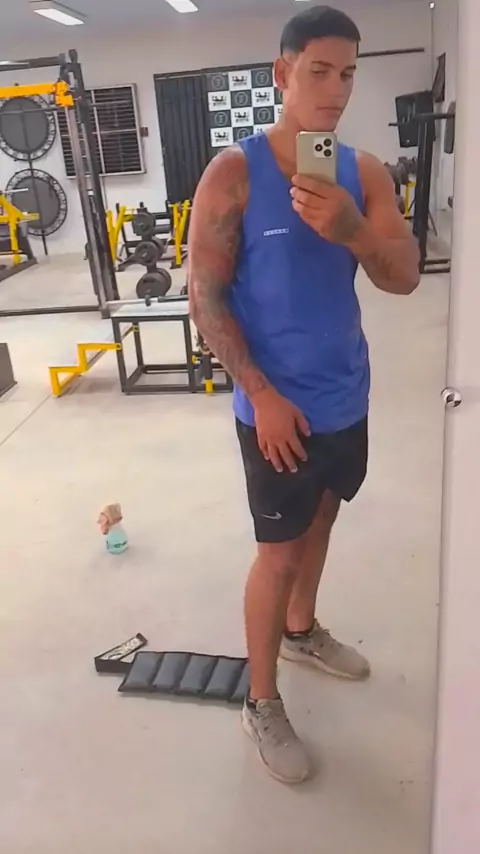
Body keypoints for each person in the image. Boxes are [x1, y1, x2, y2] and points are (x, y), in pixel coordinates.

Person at [188, 4, 420, 785]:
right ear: (283, 74)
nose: (336, 89)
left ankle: (301, 630)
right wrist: (259, 393)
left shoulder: (363, 174)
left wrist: (354, 229)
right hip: (274, 411)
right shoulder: (234, 173)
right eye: (319, 71)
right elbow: (204, 299)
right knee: (278, 552)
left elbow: (404, 276)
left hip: (345, 396)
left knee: (323, 518)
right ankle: (260, 701)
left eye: (348, 73)